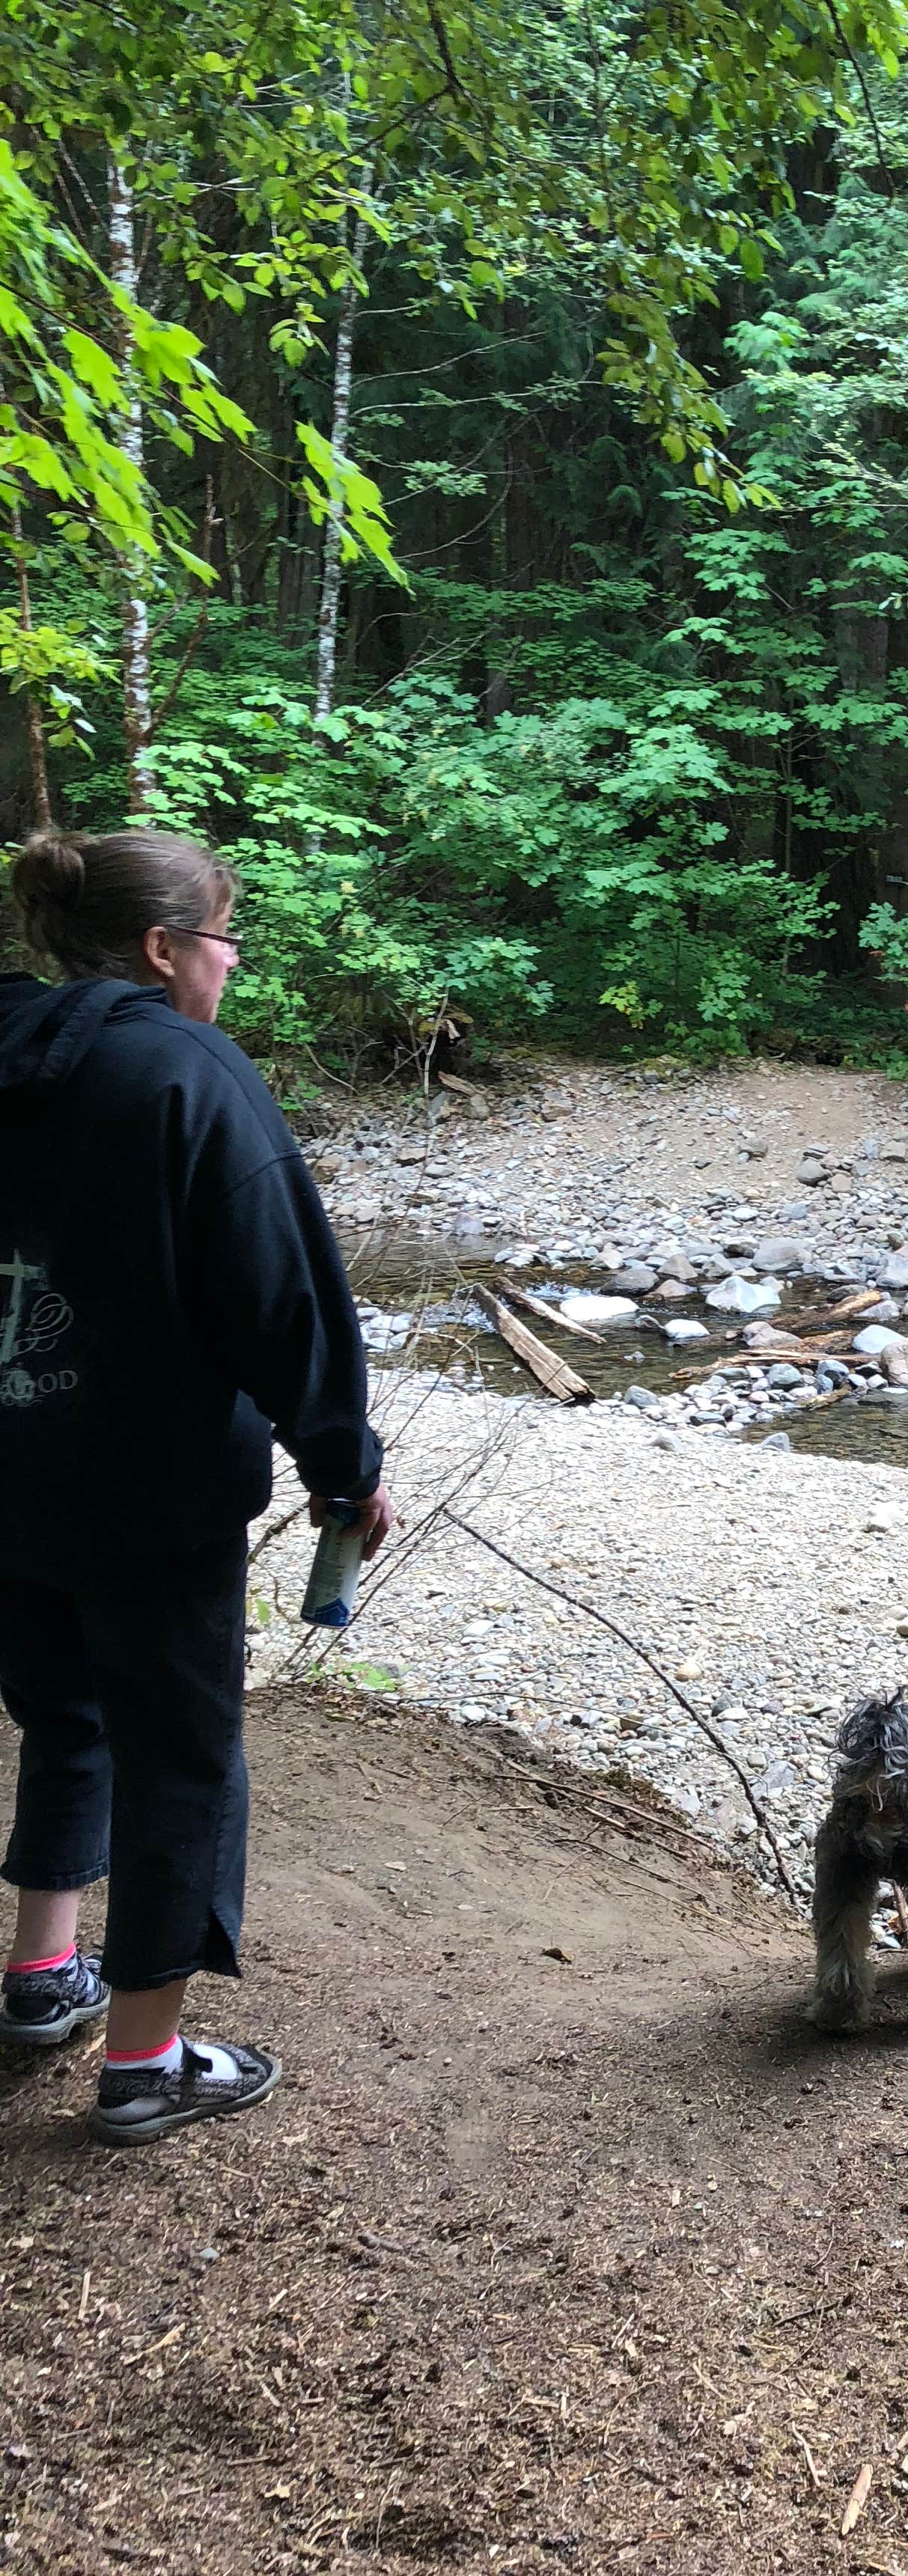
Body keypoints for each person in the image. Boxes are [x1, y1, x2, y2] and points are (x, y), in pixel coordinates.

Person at [0, 828, 392, 2143]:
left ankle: (42, 1974)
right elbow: (281, 1293)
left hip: (8, 1474)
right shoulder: (186, 1070)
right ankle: (144, 2063)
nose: (231, 966)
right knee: (182, 1761)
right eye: (225, 940)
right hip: (150, 1494)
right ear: (166, 949)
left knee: (64, 1718)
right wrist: (343, 1466)